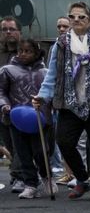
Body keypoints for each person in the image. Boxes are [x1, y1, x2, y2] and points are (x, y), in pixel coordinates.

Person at [33, 1, 90, 201]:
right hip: (69, 102)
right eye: (72, 16)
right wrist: (42, 96)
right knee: (64, 141)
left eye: (81, 17)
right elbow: (52, 74)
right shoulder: (60, 44)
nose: (76, 20)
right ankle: (82, 179)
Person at [0, 39, 51, 198]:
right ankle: (30, 184)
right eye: (20, 51)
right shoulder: (7, 70)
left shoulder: (46, 72)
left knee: (40, 151)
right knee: (22, 153)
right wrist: (4, 105)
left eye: (28, 51)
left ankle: (46, 177)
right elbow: (1, 91)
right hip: (16, 118)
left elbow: (51, 92)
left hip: (39, 118)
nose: (23, 54)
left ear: (36, 53)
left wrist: (47, 106)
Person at [0, 16, 21, 180]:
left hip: (20, 104)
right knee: (7, 141)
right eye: (4, 29)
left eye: (12, 29)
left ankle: (20, 175)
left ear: (19, 32)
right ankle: (18, 172)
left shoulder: (26, 51)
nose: (8, 32)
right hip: (2, 105)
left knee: (19, 141)